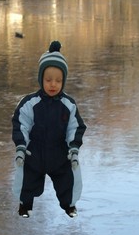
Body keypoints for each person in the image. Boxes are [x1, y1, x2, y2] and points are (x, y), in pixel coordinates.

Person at [12, 40, 87, 218]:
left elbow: (75, 127)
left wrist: (73, 148)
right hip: (35, 153)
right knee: (27, 179)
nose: (53, 84)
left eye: (58, 80)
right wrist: (21, 147)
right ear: (41, 79)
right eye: (48, 80)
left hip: (59, 154)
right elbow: (21, 123)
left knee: (67, 179)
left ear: (64, 81)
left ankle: (69, 205)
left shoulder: (68, 105)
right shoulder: (30, 103)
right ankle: (25, 205)